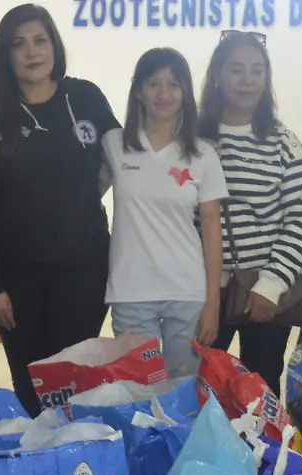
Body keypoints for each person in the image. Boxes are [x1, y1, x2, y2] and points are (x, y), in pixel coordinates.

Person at [0, 5, 120, 415]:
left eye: (40, 40)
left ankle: (78, 468)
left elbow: (128, 157)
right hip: (16, 279)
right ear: (6, 54)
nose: (32, 52)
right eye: (19, 44)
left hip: (84, 272)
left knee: (74, 386)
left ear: (54, 45)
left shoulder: (84, 97)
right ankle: (38, 466)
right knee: (33, 389)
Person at [199, 31, 302, 388]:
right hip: (203, 293)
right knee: (199, 391)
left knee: (258, 393)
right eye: (236, 70)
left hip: (263, 296)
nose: (247, 80)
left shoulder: (283, 141)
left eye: (256, 71)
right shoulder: (191, 138)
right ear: (217, 75)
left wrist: (272, 283)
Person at [104, 48, 227, 380]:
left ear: (186, 92)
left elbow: (212, 231)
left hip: (187, 291)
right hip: (131, 290)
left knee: (184, 392)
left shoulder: (203, 154)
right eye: (153, 84)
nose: (164, 94)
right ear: (139, 91)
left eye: (174, 84)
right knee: (138, 390)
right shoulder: (114, 144)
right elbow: (84, 200)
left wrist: (212, 303)